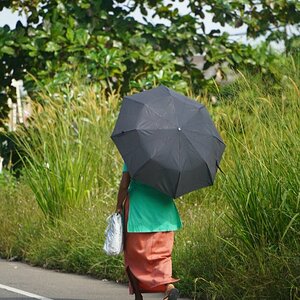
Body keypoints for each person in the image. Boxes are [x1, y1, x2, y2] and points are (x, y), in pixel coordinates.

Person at [116, 163, 182, 300]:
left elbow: (124, 185)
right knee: (162, 256)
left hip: (139, 213)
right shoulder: (171, 157)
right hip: (165, 214)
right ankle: (169, 287)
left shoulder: (134, 154)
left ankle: (138, 296)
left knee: (133, 258)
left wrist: (118, 207)